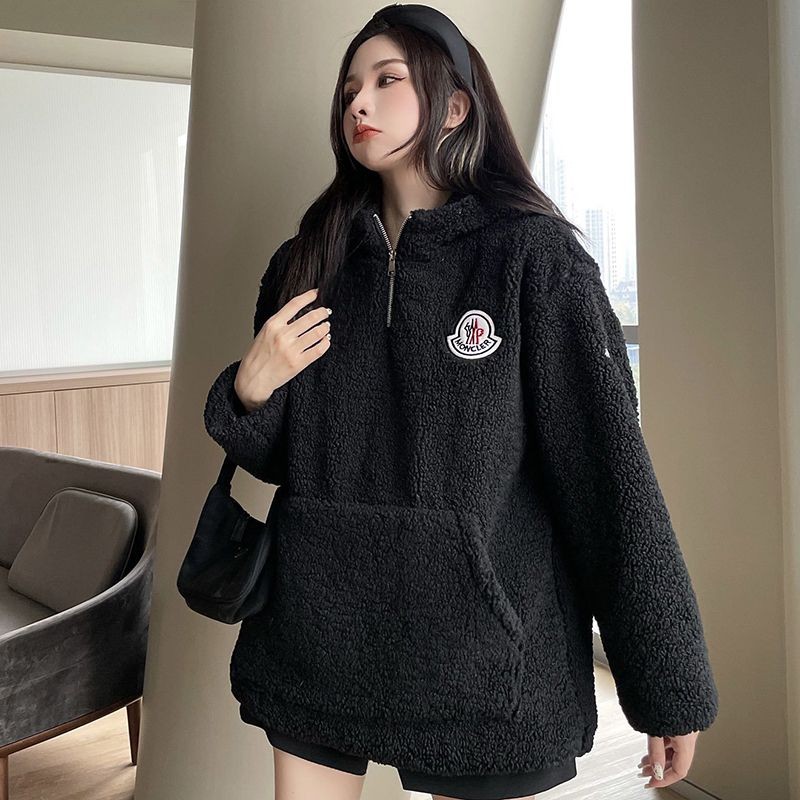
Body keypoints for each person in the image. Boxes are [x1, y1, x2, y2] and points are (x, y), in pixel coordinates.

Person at [202, 4, 719, 799]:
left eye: (387, 80)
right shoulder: (307, 263)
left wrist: (666, 683)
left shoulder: (534, 260)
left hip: (478, 662)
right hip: (318, 639)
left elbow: (609, 483)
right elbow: (282, 461)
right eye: (349, 89)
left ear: (453, 106)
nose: (359, 103)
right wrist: (249, 388)